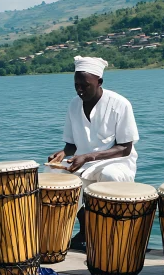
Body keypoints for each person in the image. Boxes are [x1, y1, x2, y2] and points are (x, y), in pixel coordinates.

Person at [47, 56, 140, 249]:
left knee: (109, 175)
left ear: (99, 82)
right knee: (54, 175)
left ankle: (114, 234)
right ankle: (83, 231)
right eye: (76, 85)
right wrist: (62, 154)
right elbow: (71, 145)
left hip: (116, 162)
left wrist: (88, 156)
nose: (80, 90)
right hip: (83, 162)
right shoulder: (74, 105)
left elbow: (125, 148)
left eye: (85, 85)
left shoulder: (120, 104)